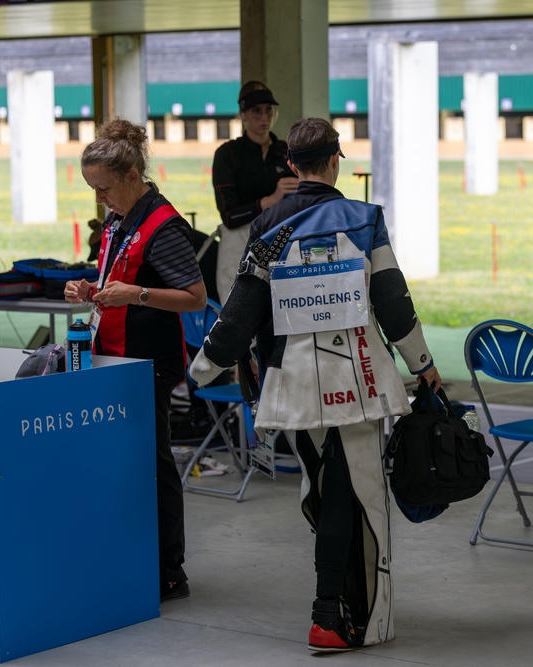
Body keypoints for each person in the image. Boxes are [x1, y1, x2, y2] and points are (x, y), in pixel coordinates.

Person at [189, 117, 441, 653]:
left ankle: (336, 609)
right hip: (361, 382)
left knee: (326, 492)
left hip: (294, 385)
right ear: (335, 161)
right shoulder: (365, 218)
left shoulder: (267, 226)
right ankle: (335, 614)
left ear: (290, 165)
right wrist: (422, 364)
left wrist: (202, 369)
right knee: (356, 497)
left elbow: (239, 313)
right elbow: (393, 304)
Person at [63, 117, 207, 604]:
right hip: (112, 356)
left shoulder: (163, 226)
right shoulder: (119, 216)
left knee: (152, 464)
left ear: (130, 177)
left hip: (148, 361)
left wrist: (137, 294)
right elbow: (117, 275)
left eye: (103, 189)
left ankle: (170, 571)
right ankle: (133, 556)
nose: (99, 200)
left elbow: (195, 298)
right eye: (92, 191)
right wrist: (90, 287)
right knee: (122, 463)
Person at [212, 80, 298, 303]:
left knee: (282, 311)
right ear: (243, 114)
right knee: (235, 312)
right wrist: (270, 200)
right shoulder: (228, 154)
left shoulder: (286, 152)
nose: (264, 117)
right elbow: (229, 216)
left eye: (269, 110)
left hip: (280, 236)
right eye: (256, 111)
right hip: (238, 237)